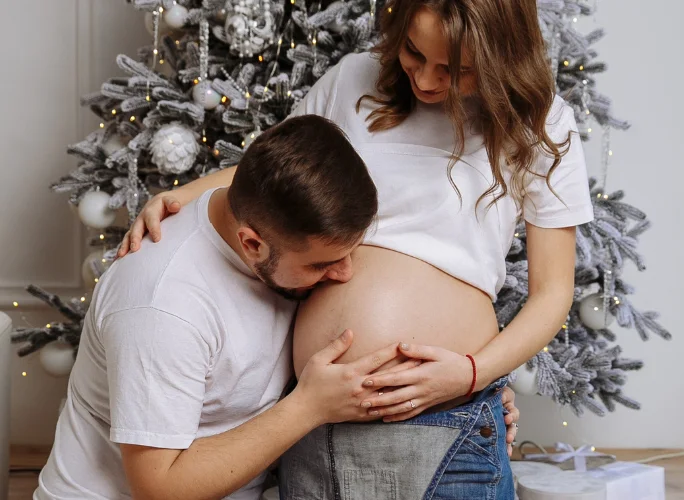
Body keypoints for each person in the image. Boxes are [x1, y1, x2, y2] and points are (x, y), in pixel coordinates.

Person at [120, 0, 591, 498]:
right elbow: (276, 174)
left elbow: (553, 295)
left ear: (500, 59)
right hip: (311, 426)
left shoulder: (541, 124)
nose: (427, 80)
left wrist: (470, 374)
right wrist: (182, 195)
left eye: (456, 70)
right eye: (413, 51)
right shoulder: (353, 78)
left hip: (447, 426)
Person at [35, 116, 421, 500]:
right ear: (252, 244)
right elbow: (159, 488)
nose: (345, 272)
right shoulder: (163, 306)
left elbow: (262, 172)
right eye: (320, 264)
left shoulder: (265, 209)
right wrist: (309, 406)